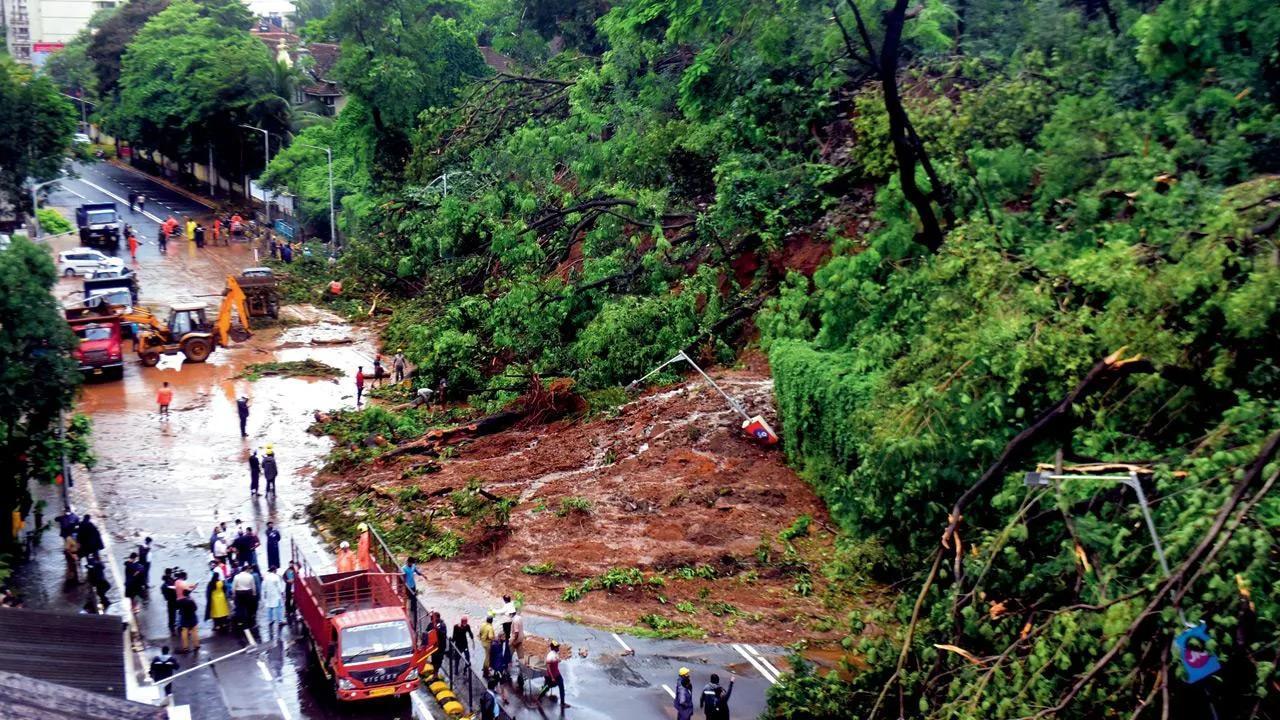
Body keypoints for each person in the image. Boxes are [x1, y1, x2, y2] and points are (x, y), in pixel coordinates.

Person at [537, 640, 567, 706]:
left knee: (561, 686)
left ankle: (562, 703)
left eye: (558, 647)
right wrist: (552, 677)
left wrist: (558, 660)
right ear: (553, 648)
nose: (558, 648)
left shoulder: (555, 654)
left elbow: (557, 660)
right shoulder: (550, 656)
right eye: (557, 647)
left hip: (557, 674)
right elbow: (548, 667)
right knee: (547, 687)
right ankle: (539, 698)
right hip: (551, 675)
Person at [261, 566, 285, 639]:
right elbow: (279, 586)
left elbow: (264, 586)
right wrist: (282, 593)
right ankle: (280, 620)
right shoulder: (276, 577)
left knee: (270, 608)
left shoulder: (266, 577)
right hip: (275, 594)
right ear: (274, 570)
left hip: (269, 594)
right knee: (279, 607)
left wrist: (265, 593)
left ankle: (270, 620)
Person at [232, 564, 257, 628]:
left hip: (239, 593)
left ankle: (240, 621)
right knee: (248, 607)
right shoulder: (250, 576)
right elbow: (253, 586)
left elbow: (233, 587)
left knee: (240, 607)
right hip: (248, 592)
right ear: (246, 570)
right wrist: (254, 593)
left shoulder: (236, 576)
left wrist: (234, 594)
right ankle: (248, 620)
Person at [161, 569, 178, 634]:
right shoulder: (170, 581)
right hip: (173, 599)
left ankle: (172, 627)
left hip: (170, 600)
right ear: (170, 573)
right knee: (173, 614)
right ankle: (173, 628)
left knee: (171, 615)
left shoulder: (165, 582)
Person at [479, 612, 496, 676]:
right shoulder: (490, 627)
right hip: (487, 643)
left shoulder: (483, 624)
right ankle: (486, 671)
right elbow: (490, 636)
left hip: (483, 642)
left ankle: (484, 668)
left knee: (486, 656)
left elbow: (480, 632)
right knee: (487, 657)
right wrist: (494, 639)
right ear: (491, 621)